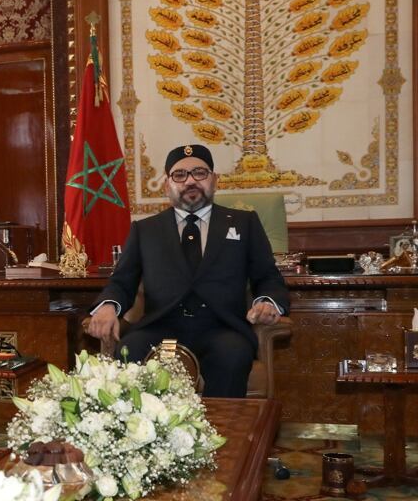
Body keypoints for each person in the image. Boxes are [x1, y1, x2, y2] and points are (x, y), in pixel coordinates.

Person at [87, 144, 289, 398]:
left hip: (222, 327)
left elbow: (267, 277)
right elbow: (122, 281)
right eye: (180, 175)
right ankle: (147, 435)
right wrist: (107, 306)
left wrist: (267, 302)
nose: (190, 181)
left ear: (215, 180)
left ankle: (225, 432)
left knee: (233, 355)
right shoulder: (145, 230)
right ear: (167, 185)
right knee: (130, 351)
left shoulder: (244, 223)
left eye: (199, 173)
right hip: (160, 326)